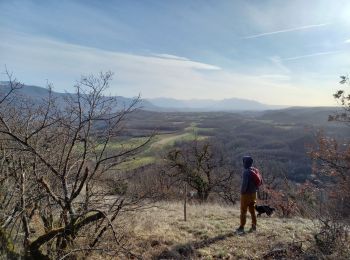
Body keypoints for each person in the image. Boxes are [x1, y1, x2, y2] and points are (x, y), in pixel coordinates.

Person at [235, 156, 257, 234]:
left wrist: (242, 192)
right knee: (252, 211)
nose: (243, 164)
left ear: (245, 163)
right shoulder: (254, 170)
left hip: (246, 195)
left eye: (243, 162)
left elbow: (244, 184)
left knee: (243, 211)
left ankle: (241, 227)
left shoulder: (246, 172)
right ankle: (254, 226)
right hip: (254, 194)